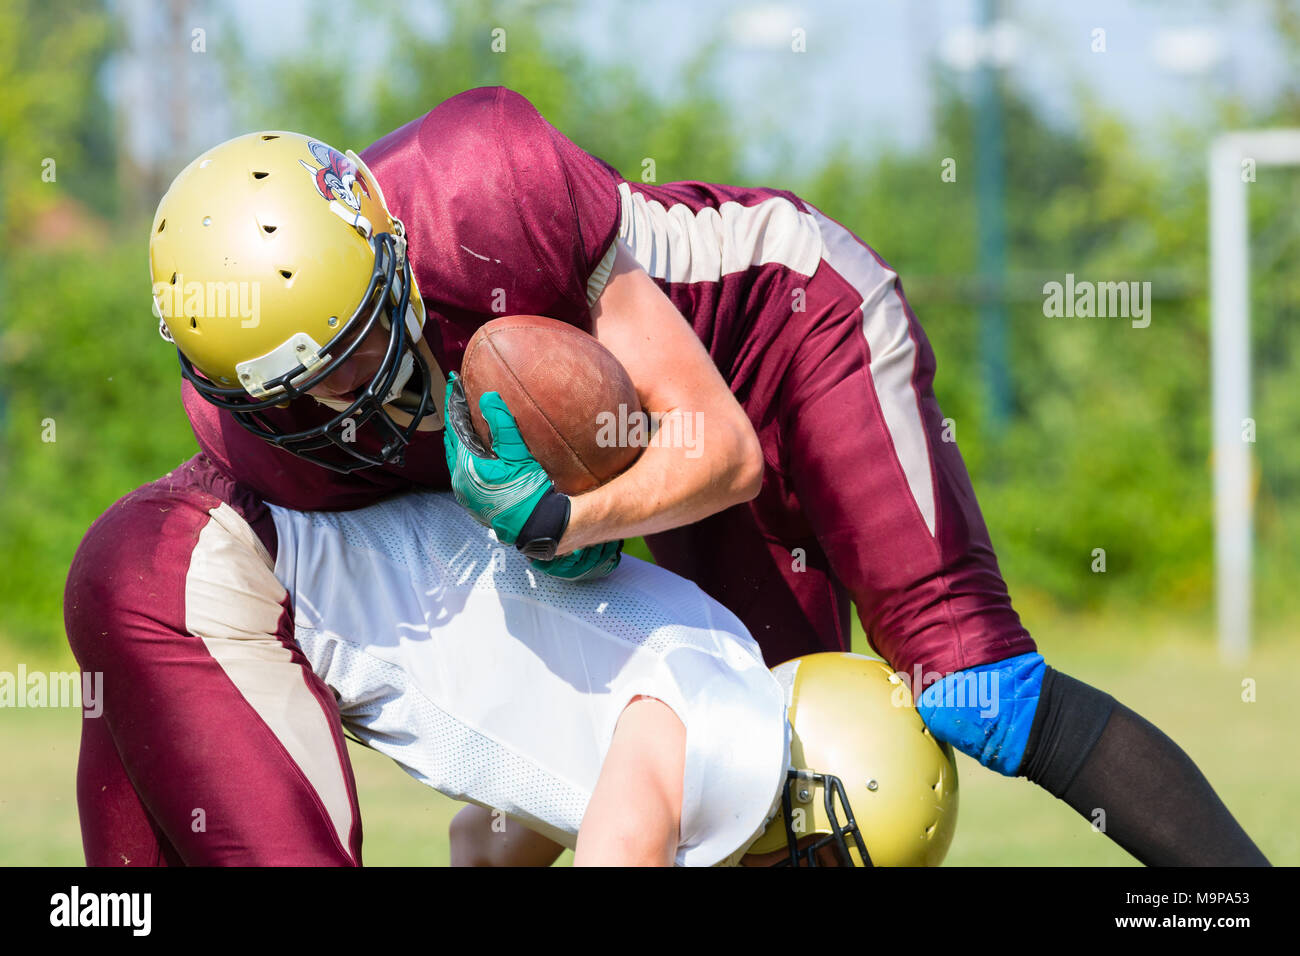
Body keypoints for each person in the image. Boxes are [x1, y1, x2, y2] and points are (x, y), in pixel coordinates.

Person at [69, 85, 1265, 866]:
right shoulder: (265, 430)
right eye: (298, 392)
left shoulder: (487, 180)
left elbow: (714, 446)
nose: (345, 403)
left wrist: (559, 516)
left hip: (785, 335)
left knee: (966, 688)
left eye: (361, 350)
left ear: (394, 260)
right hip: (644, 447)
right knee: (761, 804)